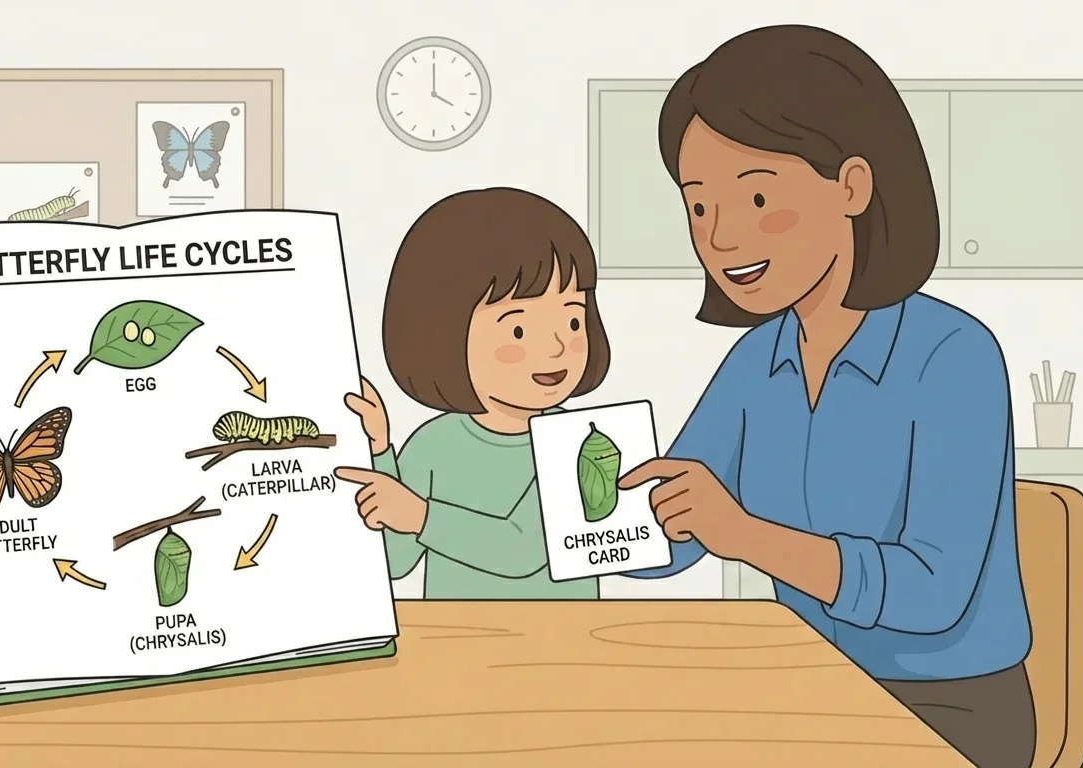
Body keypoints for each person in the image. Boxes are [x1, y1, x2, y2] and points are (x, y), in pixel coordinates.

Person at [618, 25, 1035, 768]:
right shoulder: (755, 363)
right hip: (808, 683)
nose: (721, 238)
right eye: (699, 207)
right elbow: (678, 532)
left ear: (851, 186)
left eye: (756, 196)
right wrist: (583, 508)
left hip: (949, 705)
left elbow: (932, 593)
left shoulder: (954, 356)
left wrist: (743, 534)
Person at [333, 187, 611, 598]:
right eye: (519, 330)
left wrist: (421, 516)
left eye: (572, 321)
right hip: (458, 635)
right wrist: (380, 451)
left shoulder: (582, 443)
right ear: (443, 333)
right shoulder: (433, 444)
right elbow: (395, 561)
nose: (556, 348)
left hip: (567, 636)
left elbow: (523, 549)